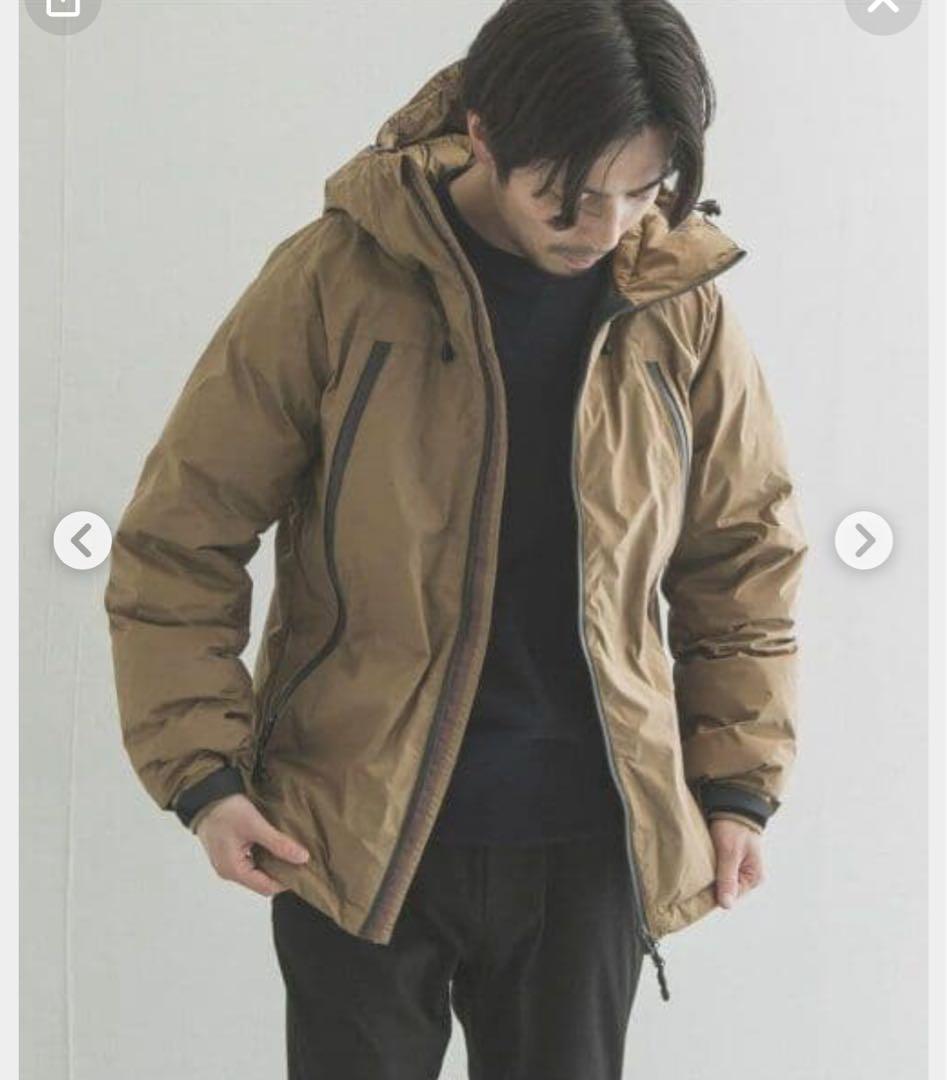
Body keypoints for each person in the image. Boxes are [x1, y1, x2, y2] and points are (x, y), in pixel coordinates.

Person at [103, 1, 808, 1076]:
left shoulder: (676, 305)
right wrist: (204, 776)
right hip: (352, 833)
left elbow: (743, 560)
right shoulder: (335, 279)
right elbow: (179, 538)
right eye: (570, 194)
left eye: (640, 190)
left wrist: (736, 786)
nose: (606, 226)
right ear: (483, 132)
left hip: (589, 840)